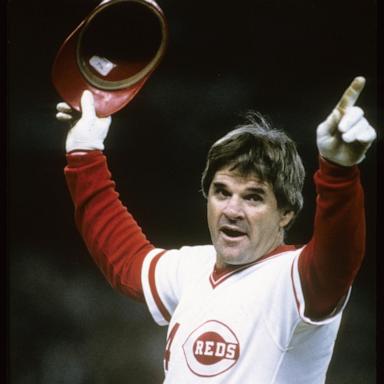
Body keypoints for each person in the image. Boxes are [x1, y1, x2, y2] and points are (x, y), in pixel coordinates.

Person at [56, 76, 376, 383]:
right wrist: (85, 153)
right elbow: (126, 262)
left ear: (286, 215)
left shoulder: (295, 279)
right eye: (222, 192)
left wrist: (339, 172)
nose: (232, 210)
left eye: (253, 197)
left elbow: (339, 258)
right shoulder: (192, 267)